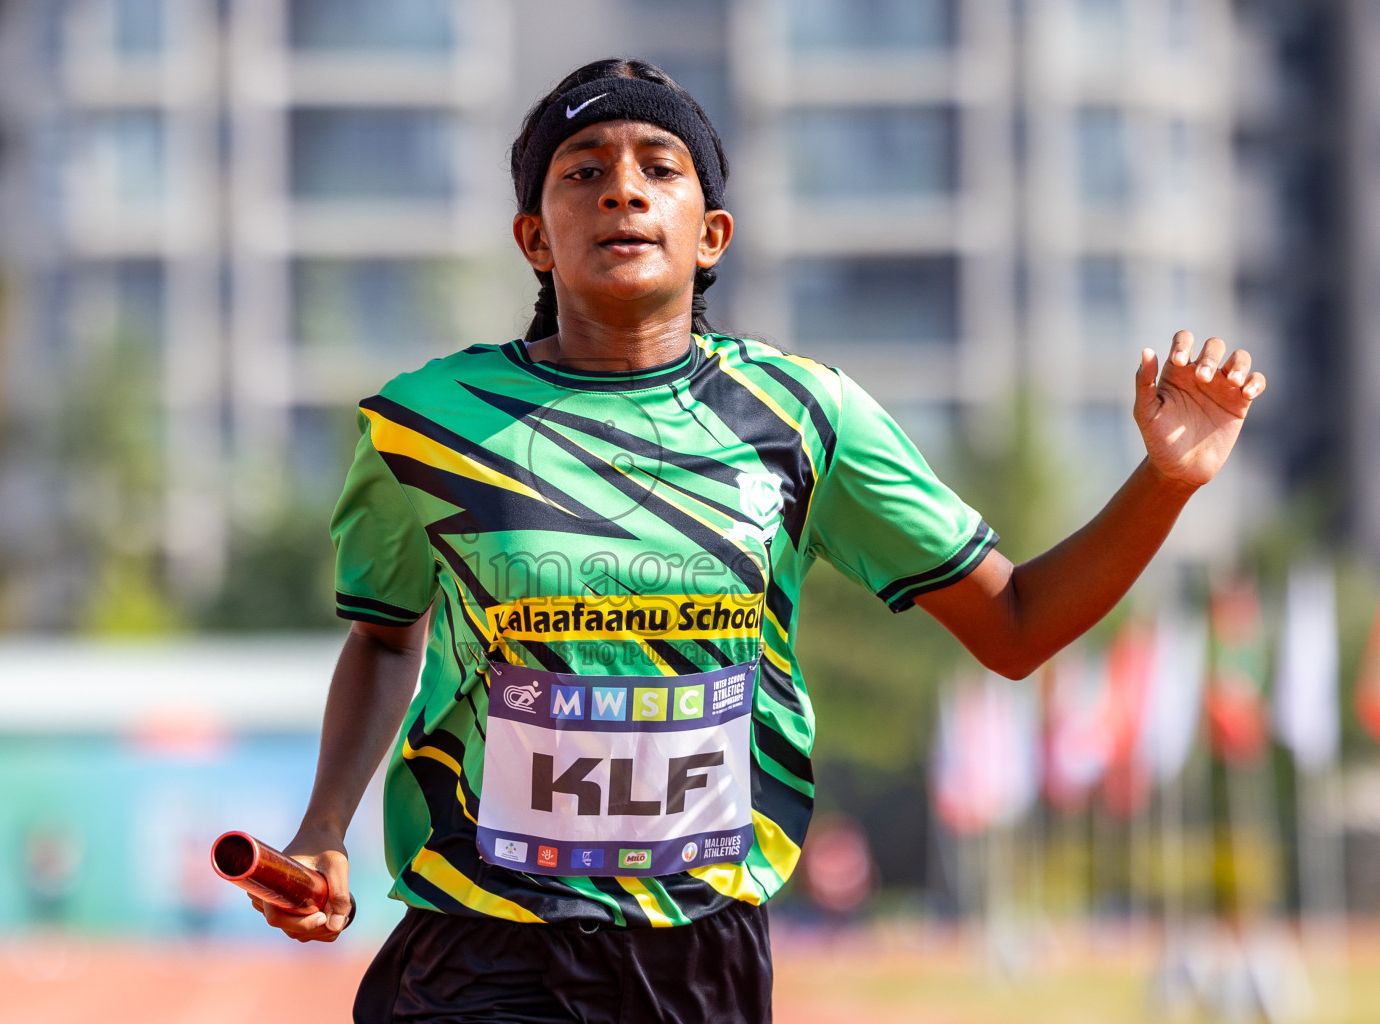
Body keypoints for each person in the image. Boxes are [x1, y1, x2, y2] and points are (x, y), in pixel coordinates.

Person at [247, 58, 1265, 1022]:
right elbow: (387, 636)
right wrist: (325, 826)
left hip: (706, 950)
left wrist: (1165, 483)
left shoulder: (804, 417)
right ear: (534, 237)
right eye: (584, 171)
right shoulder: (428, 422)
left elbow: (1015, 625)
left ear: (713, 233)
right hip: (483, 934)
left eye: (659, 168)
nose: (622, 191)